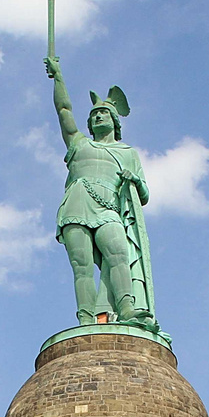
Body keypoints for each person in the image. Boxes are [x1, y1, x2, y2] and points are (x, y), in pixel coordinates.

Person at [44, 55, 164, 340]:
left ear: (114, 121)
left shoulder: (128, 153)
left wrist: (133, 181)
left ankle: (127, 309)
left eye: (104, 114)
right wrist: (58, 76)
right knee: (81, 267)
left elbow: (143, 195)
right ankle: (86, 319)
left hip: (109, 208)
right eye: (94, 115)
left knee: (118, 255)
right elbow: (63, 109)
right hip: (76, 204)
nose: (98, 117)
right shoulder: (78, 143)